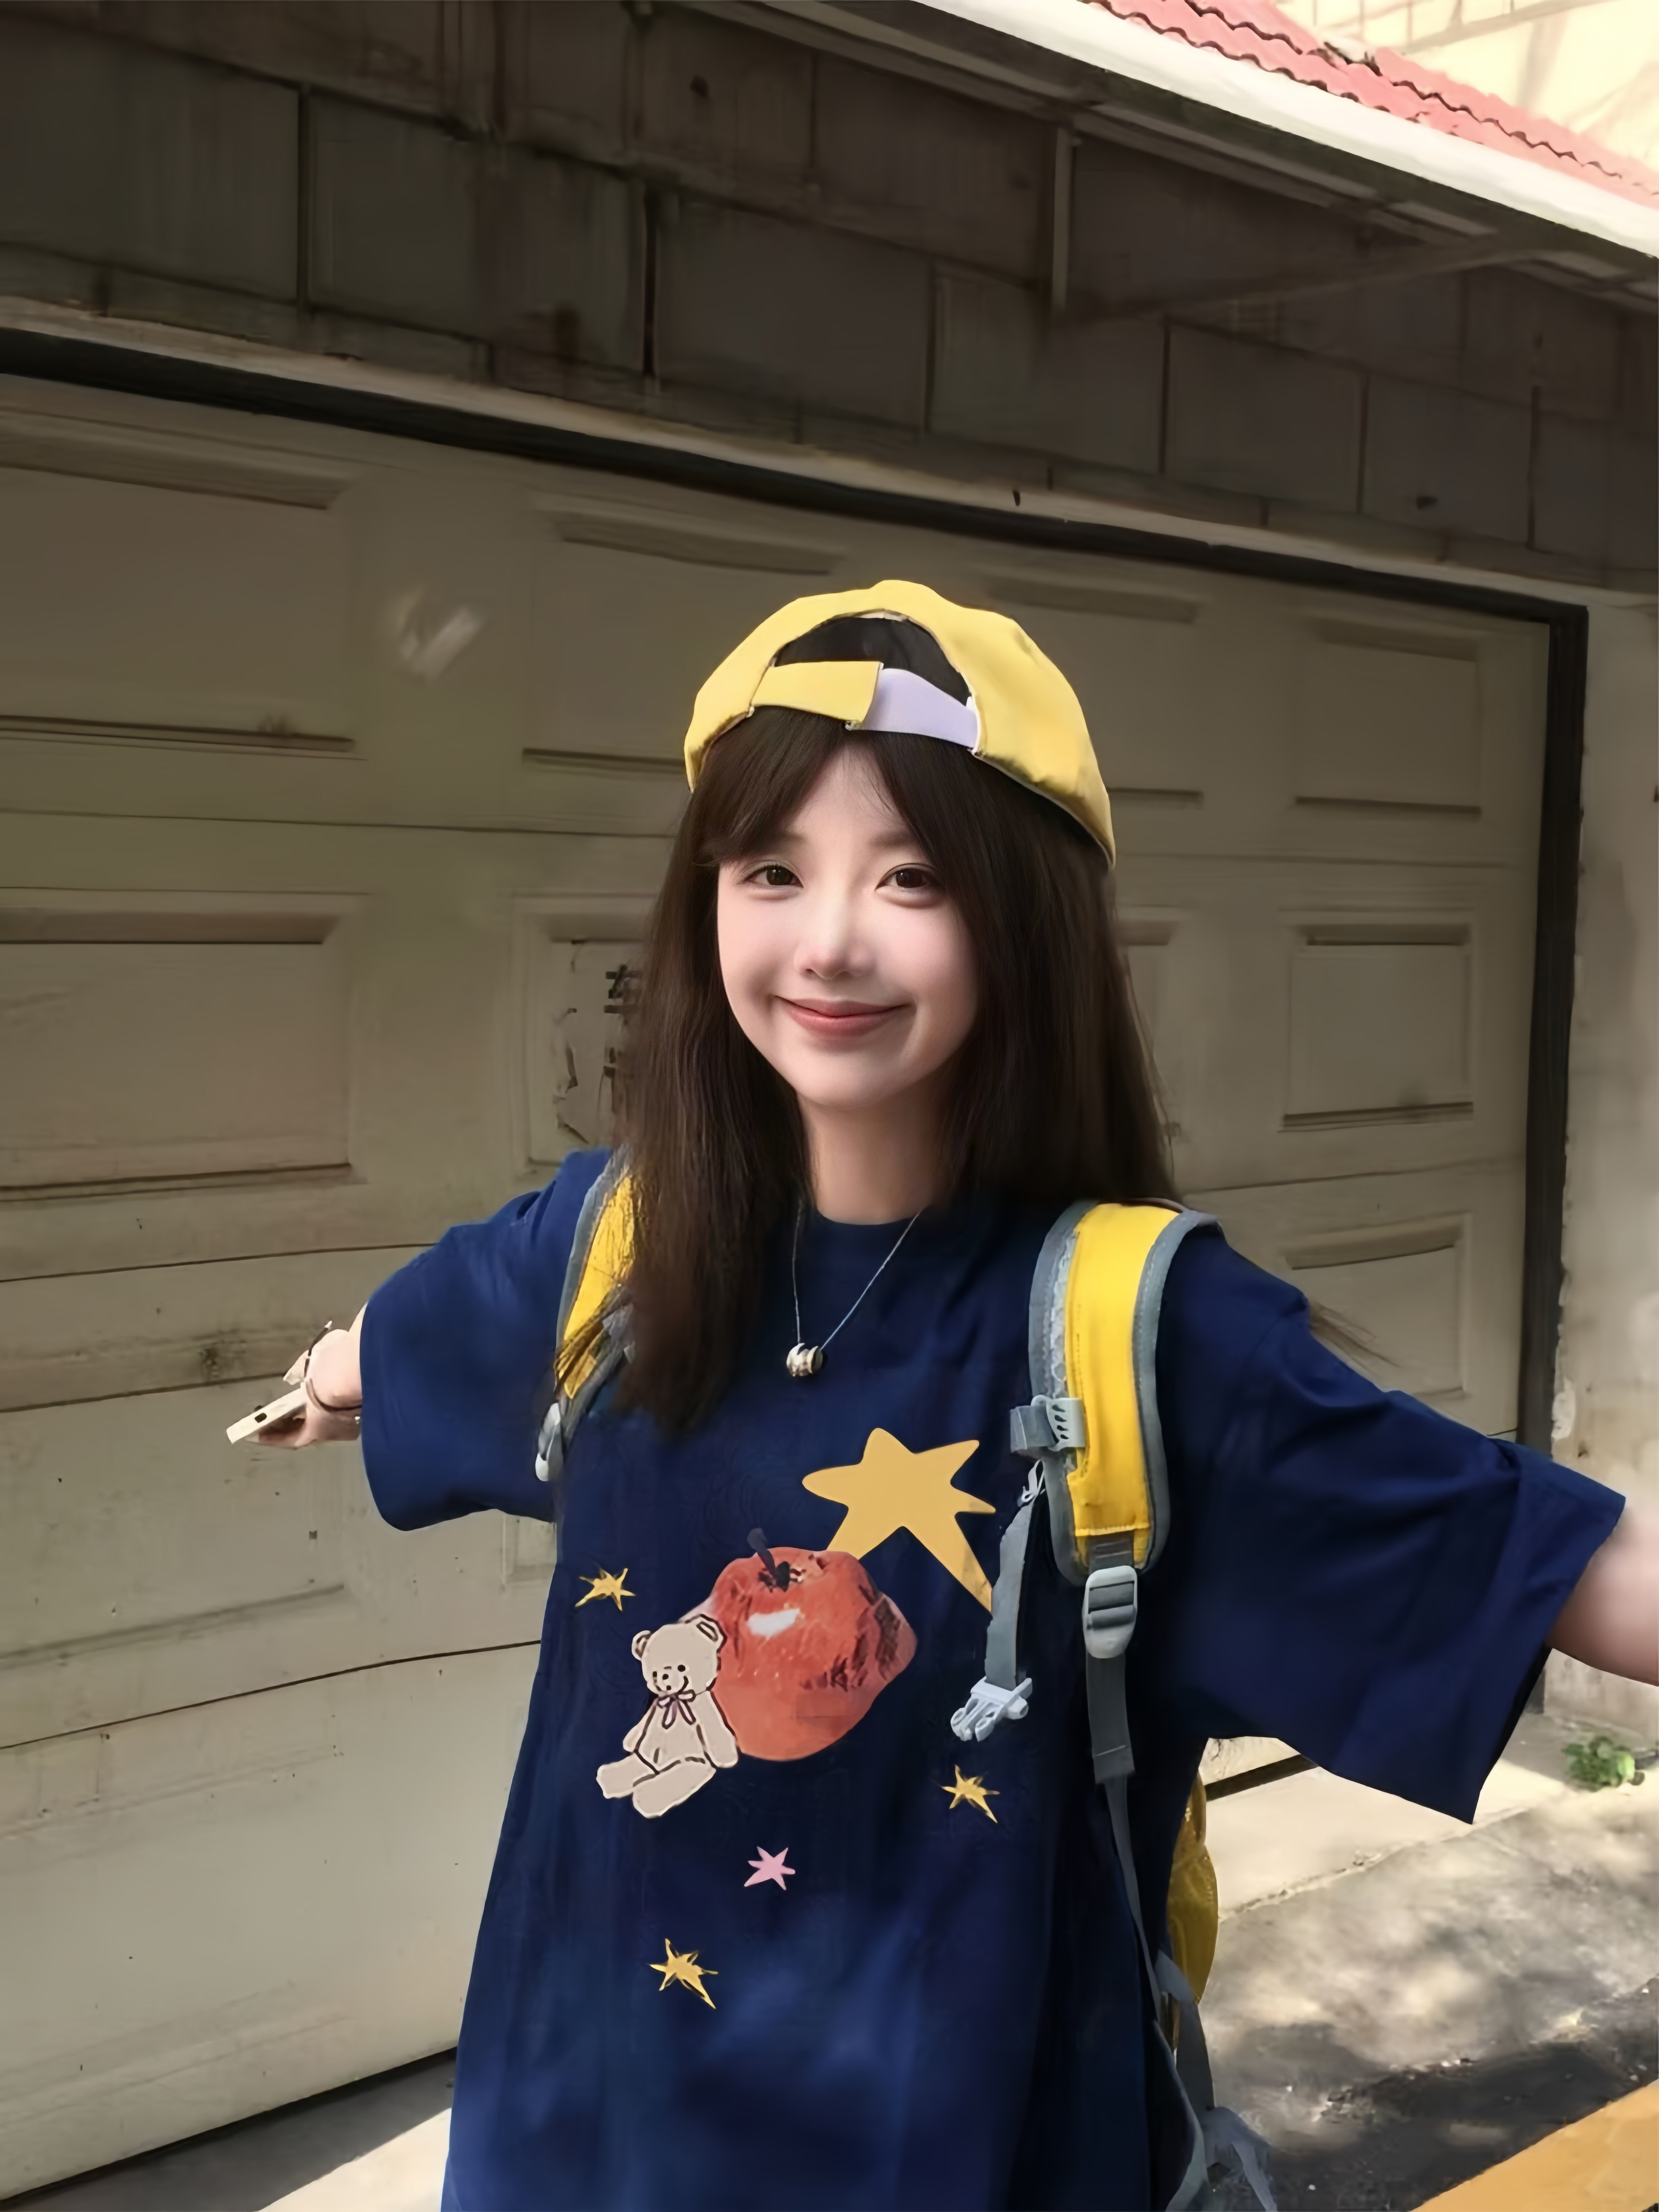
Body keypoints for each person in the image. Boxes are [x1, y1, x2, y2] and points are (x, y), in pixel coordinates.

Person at [261, 582, 1657, 2212]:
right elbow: (411, 1335)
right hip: (579, 2148)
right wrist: (327, 1374)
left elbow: (1557, 1569)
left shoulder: (1143, 1339)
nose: (829, 940)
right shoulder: (614, 1249)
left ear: (1026, 917)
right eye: (771, 869)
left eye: (912, 876)